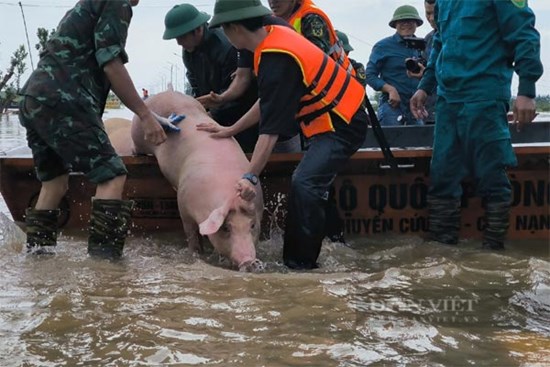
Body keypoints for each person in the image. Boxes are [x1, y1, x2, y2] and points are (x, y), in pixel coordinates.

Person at [208, 0, 368, 269]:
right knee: (314, 181)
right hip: (331, 121)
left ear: (233, 28)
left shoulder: (276, 57)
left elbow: (269, 132)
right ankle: (335, 242)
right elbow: (269, 100)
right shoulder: (272, 37)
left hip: (343, 123)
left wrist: (250, 177)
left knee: (305, 183)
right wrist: (232, 129)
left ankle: (299, 266)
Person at [18, 0, 168, 258]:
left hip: (35, 98)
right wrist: (144, 115)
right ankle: (104, 268)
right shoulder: (116, 2)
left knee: (54, 182)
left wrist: (151, 113)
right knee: (112, 174)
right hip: (65, 99)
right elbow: (111, 63)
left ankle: (36, 262)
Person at [410, 0, 543, 250]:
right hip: (448, 102)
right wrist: (425, 87)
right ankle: (442, 253)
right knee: (442, 176)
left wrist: (527, 90)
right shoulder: (443, 2)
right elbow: (440, 42)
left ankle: (493, 252)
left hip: (485, 98)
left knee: (492, 175)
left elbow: (524, 33)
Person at [163, 3, 259, 152]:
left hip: (244, 119)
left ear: (198, 30)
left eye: (181, 36)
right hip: (215, 115)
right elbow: (194, 83)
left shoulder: (227, 47)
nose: (179, 42)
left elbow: (237, 92)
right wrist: (195, 108)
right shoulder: (188, 51)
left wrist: (211, 114)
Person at [365, 5, 425, 126]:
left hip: (416, 108)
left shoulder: (423, 46)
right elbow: (369, 75)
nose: (406, 24)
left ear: (416, 24)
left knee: (420, 142)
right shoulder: (383, 46)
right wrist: (390, 89)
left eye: (410, 21)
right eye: (402, 21)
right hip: (392, 106)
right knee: (392, 142)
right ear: (395, 24)